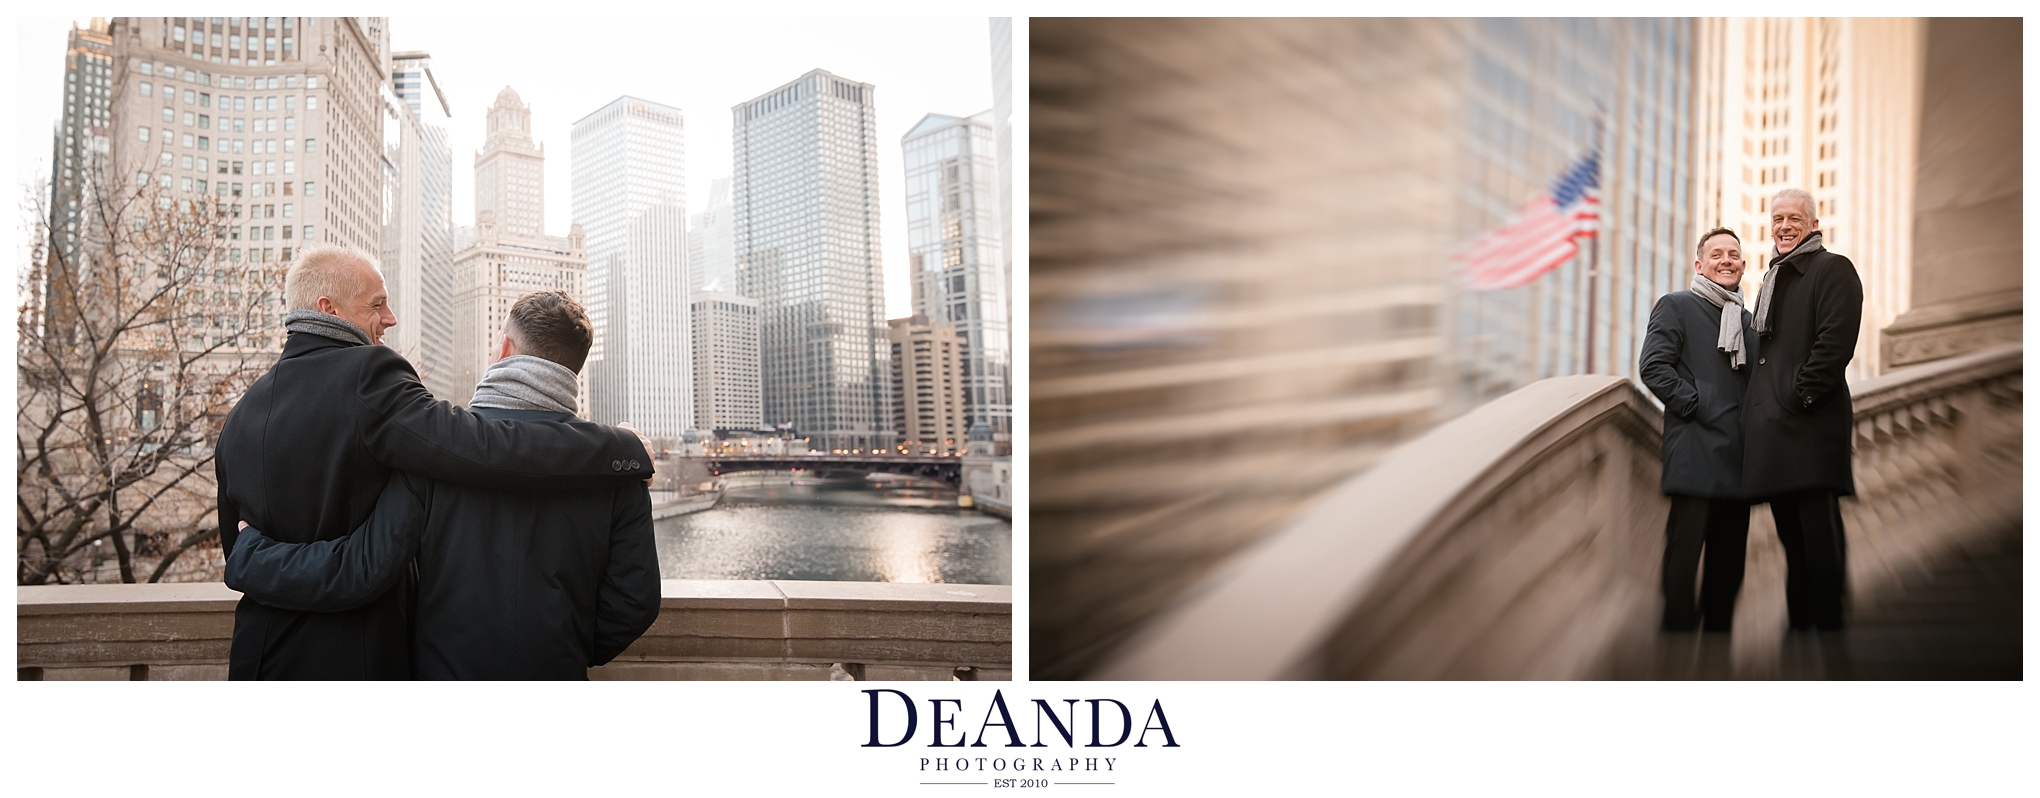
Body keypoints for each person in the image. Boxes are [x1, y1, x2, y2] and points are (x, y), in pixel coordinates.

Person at [217, 247, 655, 680]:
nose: (390, 318)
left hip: (258, 655)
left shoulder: (241, 414)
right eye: (377, 304)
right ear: (328, 308)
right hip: (352, 661)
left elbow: (236, 539)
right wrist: (621, 447)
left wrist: (250, 558)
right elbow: (480, 445)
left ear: (504, 348)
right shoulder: (371, 377)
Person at [1743, 188, 1863, 631]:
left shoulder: (1832, 269)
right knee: (1791, 543)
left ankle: (1829, 631)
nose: (1784, 226)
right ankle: (1799, 630)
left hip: (1810, 426)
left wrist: (1800, 396)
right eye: (1777, 218)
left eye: (1795, 218)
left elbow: (1835, 344)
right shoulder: (1771, 282)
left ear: (1814, 225)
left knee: (1818, 537)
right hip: (1776, 432)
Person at [1639, 227, 1758, 632]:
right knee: (1684, 557)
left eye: (1733, 254)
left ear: (1743, 265)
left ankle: (1717, 648)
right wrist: (1699, 403)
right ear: (1700, 265)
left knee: (1729, 567)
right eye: (1716, 254)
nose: (1725, 260)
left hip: (1739, 460)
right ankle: (1674, 643)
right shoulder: (1676, 306)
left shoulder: (1749, 321)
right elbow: (1653, 367)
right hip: (1694, 451)